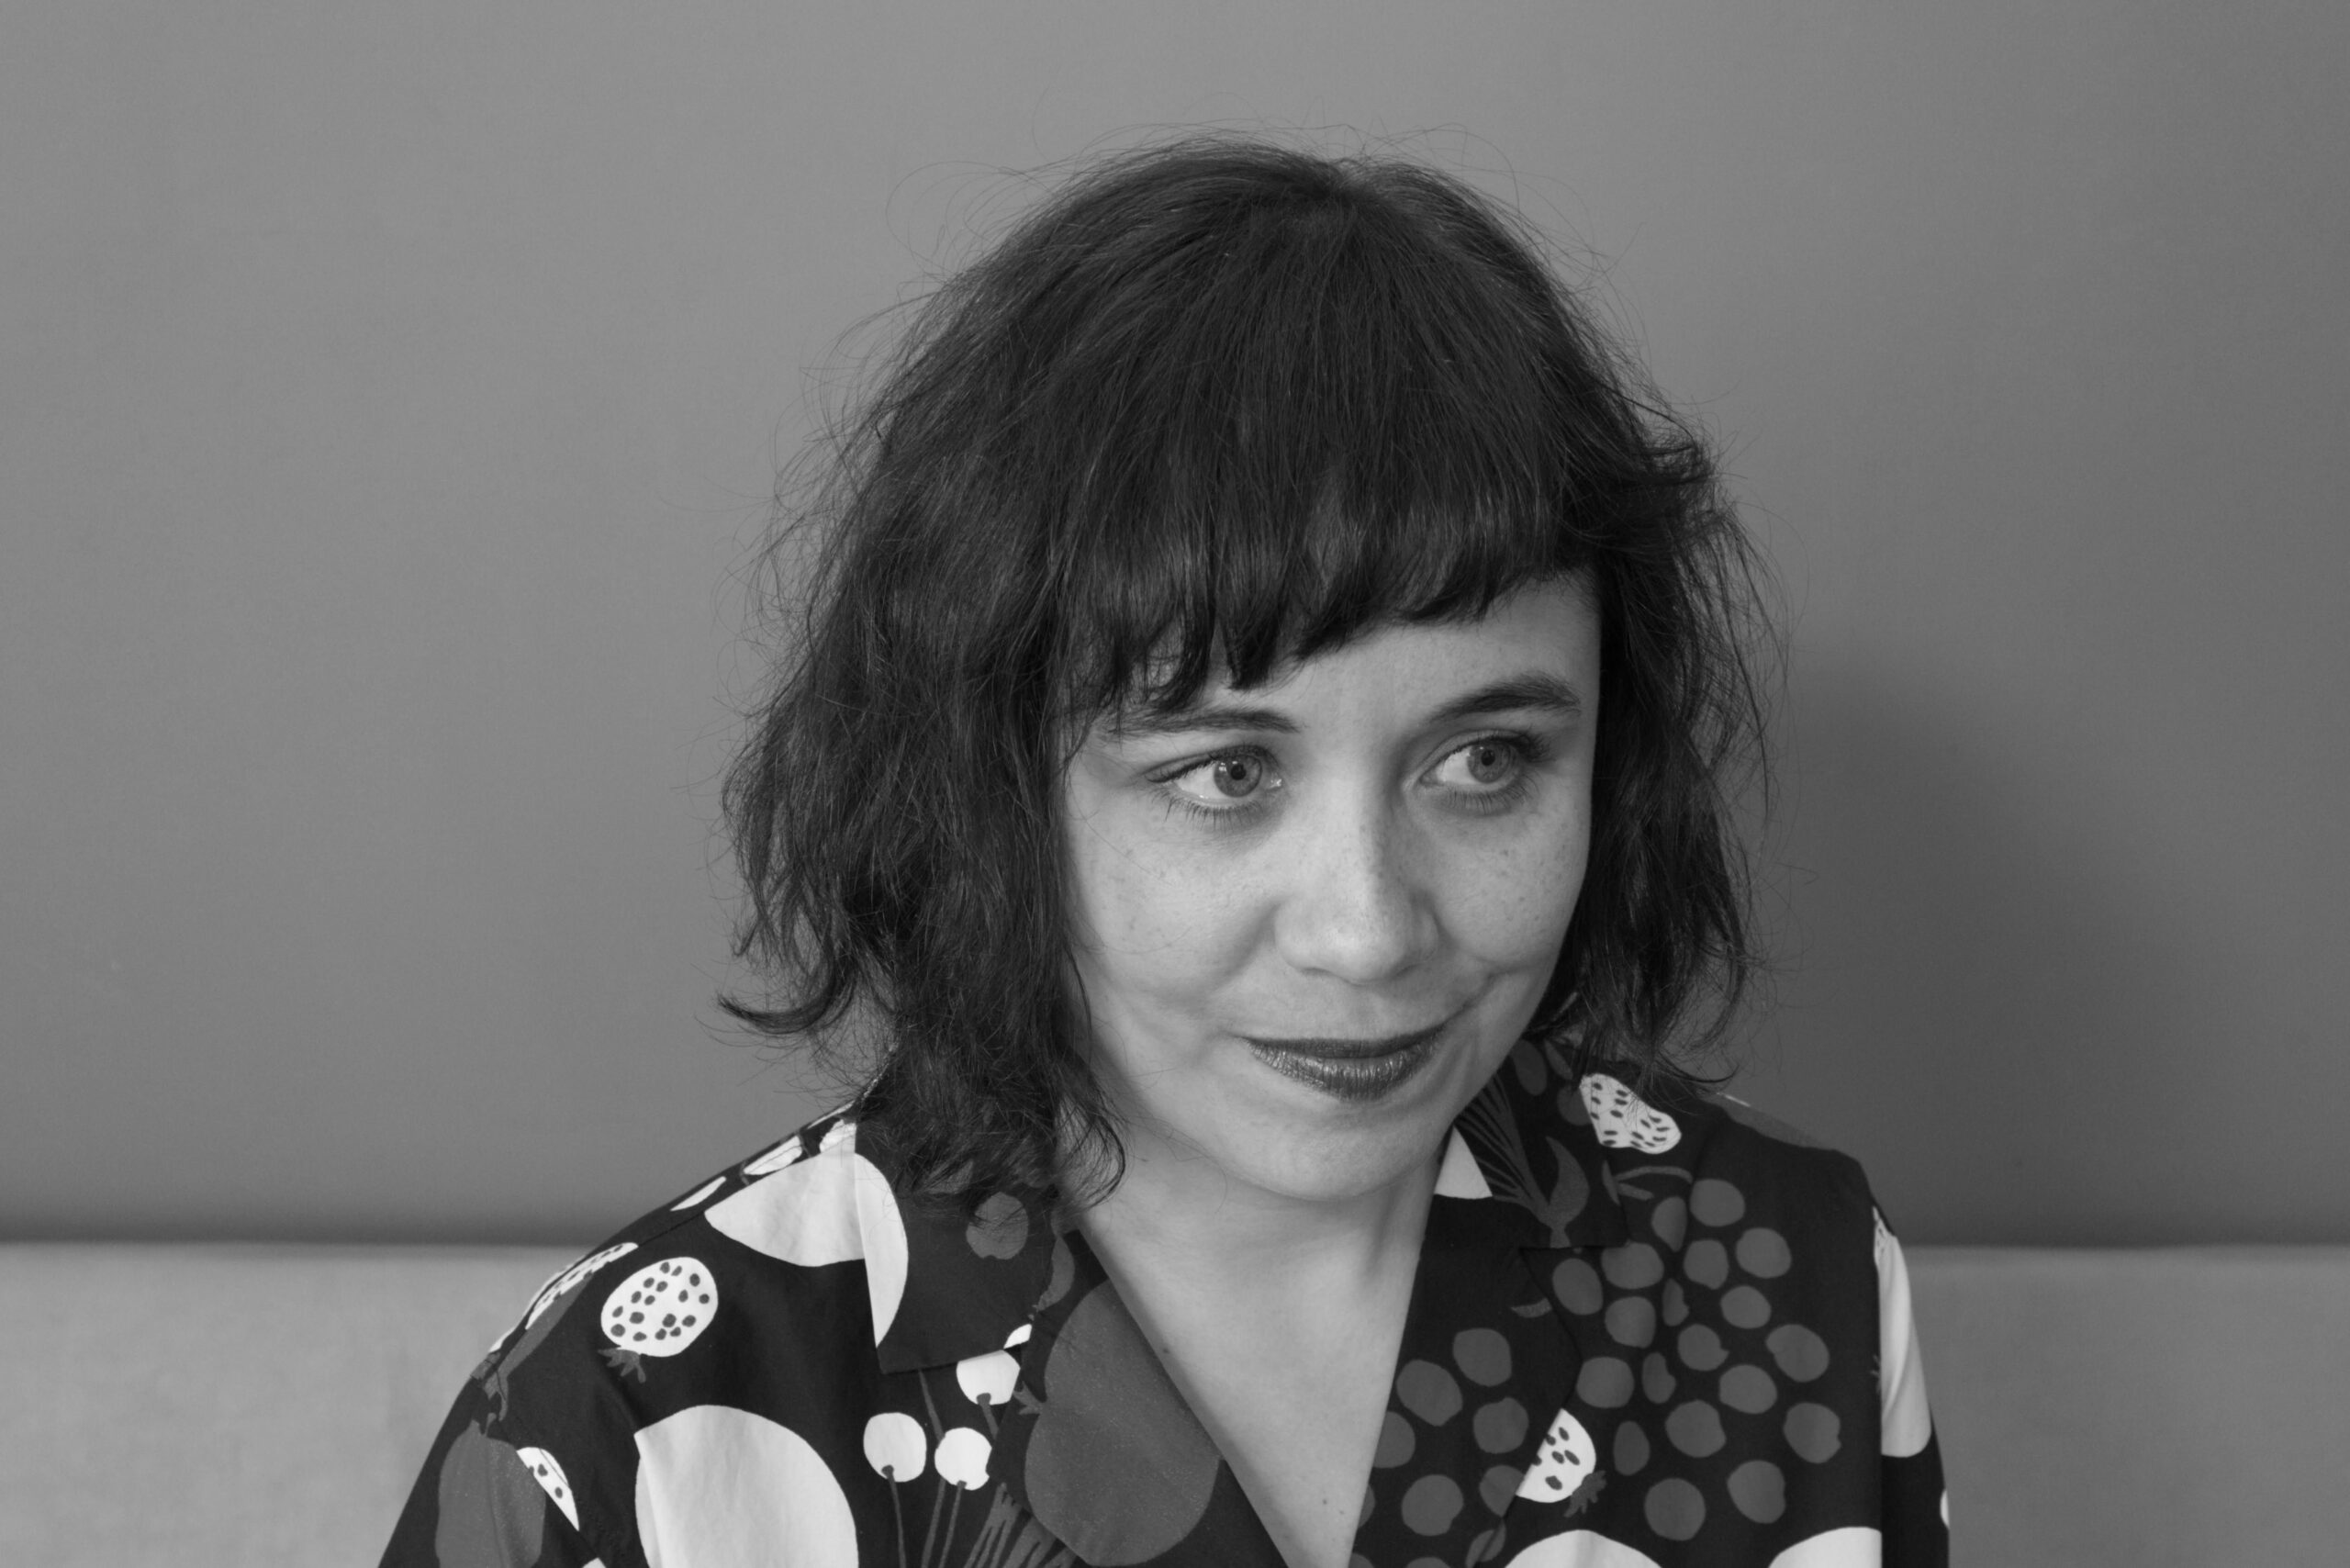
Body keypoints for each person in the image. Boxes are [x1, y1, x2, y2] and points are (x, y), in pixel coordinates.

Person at [381, 136, 1948, 1568]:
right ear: (994, 785)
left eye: (1485, 763)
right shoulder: (630, 1427)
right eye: (1227, 773)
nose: (1367, 930)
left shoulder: (1784, 1276)